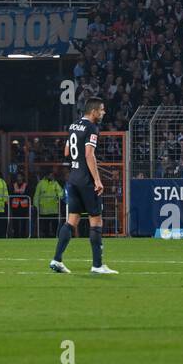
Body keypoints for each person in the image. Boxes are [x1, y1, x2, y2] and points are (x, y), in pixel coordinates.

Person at [51, 97, 117, 274]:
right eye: (102, 110)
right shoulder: (92, 128)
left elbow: (66, 151)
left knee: (72, 220)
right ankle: (97, 265)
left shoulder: (73, 126)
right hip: (86, 181)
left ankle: (57, 260)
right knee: (96, 221)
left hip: (73, 178)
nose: (103, 112)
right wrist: (97, 179)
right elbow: (89, 154)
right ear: (93, 111)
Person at [33, 170, 64, 238]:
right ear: (46, 175)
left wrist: (60, 197)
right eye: (50, 175)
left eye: (52, 175)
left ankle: (55, 236)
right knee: (45, 225)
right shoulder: (41, 183)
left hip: (54, 209)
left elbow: (60, 192)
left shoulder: (55, 183)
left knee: (55, 224)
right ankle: (46, 236)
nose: (52, 176)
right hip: (44, 210)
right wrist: (36, 205)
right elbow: (36, 195)